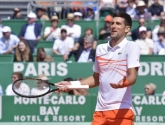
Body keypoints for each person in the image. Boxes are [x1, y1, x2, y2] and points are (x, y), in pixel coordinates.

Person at [56, 12, 140, 125]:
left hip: (122, 111)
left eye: (118, 24)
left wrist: (124, 82)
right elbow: (96, 79)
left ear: (127, 28)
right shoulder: (100, 49)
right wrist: (71, 85)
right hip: (100, 113)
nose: (114, 26)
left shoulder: (131, 46)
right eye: (112, 23)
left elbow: (133, 76)